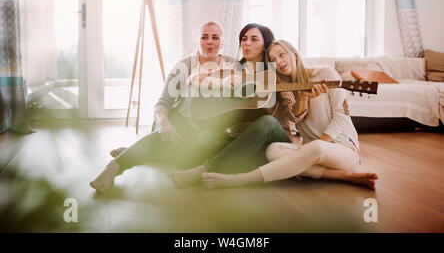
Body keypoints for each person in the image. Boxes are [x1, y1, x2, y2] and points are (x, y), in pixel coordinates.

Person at [200, 40, 378, 190]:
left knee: (315, 148)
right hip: (309, 149)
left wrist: (319, 142)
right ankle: (343, 176)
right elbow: (295, 120)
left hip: (342, 150)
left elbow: (342, 117)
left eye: (282, 54)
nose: (279, 61)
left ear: (293, 53)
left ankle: (240, 180)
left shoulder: (325, 73)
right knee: (273, 150)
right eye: (273, 59)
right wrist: (302, 98)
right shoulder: (285, 88)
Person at [169, 25, 328, 188]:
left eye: (253, 39)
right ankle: (235, 164)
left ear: (265, 45)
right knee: (205, 136)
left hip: (272, 141)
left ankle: (203, 170)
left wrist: (301, 97)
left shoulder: (275, 75)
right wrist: (220, 82)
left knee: (267, 122)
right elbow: (192, 80)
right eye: (244, 39)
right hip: (241, 140)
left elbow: (294, 117)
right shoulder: (234, 70)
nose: (246, 43)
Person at [90, 21, 238, 193]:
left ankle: (139, 151)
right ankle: (115, 167)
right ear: (197, 41)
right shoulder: (184, 66)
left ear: (222, 42)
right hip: (179, 122)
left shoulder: (232, 66)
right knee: (175, 139)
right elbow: (163, 102)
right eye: (204, 37)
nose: (210, 42)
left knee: (189, 158)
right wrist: (163, 122)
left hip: (207, 131)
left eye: (215, 37)